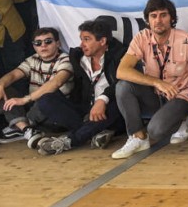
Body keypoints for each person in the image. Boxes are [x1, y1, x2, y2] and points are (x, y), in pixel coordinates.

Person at [111, 0, 188, 159]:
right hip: (155, 94)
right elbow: (122, 71)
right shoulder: (142, 37)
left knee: (156, 131)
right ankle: (138, 138)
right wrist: (158, 82)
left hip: (182, 95)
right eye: (153, 16)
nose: (158, 20)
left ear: (172, 18)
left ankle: (181, 119)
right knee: (123, 86)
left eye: (163, 15)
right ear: (148, 20)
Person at [34, 20, 128, 155]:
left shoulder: (120, 55)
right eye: (81, 39)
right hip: (85, 112)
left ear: (102, 41)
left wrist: (102, 100)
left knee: (116, 106)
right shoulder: (77, 57)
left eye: (87, 39)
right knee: (46, 100)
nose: (82, 44)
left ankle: (69, 141)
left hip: (110, 110)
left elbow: (121, 81)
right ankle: (94, 131)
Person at [0, 28, 72, 146]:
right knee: (2, 88)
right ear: (34, 46)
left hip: (54, 114)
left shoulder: (66, 59)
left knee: (48, 97)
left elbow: (56, 83)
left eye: (48, 41)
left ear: (58, 43)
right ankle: (27, 129)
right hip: (33, 109)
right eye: (38, 43)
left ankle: (21, 127)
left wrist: (25, 99)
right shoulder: (33, 59)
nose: (43, 46)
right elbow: (13, 74)